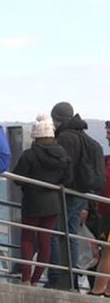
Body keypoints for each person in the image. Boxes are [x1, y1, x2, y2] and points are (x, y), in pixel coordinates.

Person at [12, 115, 72, 286]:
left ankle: (25, 278)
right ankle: (35, 279)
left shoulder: (29, 155)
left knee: (27, 239)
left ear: (36, 136)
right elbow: (67, 180)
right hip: (53, 204)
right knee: (45, 241)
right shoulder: (63, 155)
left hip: (32, 202)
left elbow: (18, 178)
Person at [47, 102, 96, 287]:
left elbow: (62, 167)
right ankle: (72, 277)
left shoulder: (65, 138)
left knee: (55, 233)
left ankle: (57, 277)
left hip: (66, 192)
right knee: (72, 234)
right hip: (82, 193)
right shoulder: (87, 139)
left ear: (58, 119)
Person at [89, 121, 110, 296]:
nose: (107, 135)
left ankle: (98, 289)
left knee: (107, 252)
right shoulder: (106, 160)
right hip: (104, 210)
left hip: (107, 211)